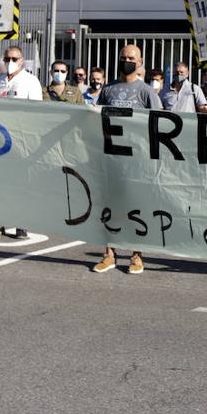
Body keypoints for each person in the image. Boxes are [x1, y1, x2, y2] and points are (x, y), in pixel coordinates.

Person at [93, 44, 162, 275]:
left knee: (136, 208)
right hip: (111, 159)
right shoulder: (108, 89)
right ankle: (109, 254)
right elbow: (96, 118)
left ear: (140, 62)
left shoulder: (147, 92)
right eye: (123, 57)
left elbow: (158, 124)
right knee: (110, 207)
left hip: (136, 161)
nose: (127, 60)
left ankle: (136, 255)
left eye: (131, 57)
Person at [0, 45, 42, 239]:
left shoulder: (30, 81)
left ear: (22, 61)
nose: (10, 62)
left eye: (15, 59)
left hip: (20, 139)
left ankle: (21, 223)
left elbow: (36, 111)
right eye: (7, 58)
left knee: (20, 182)